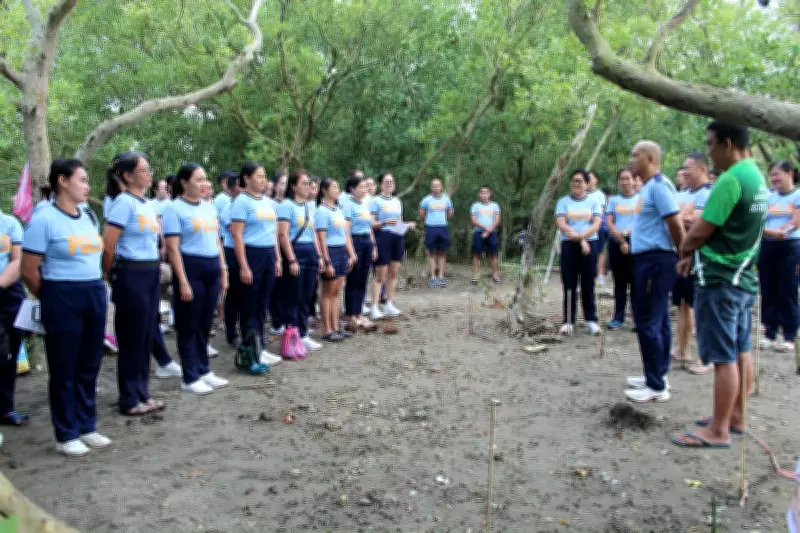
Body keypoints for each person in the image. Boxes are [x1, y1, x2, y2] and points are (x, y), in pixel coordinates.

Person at [672, 122, 766, 448]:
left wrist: (684, 249)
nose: (708, 151)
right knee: (741, 350)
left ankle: (718, 430)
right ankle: (736, 417)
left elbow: (701, 229)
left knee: (723, 356)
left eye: (710, 145)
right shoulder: (757, 177)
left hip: (720, 279)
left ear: (728, 143)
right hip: (744, 278)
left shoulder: (730, 180)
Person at [22, 159, 110, 457]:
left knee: (89, 363)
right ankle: (66, 432)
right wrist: (52, 296)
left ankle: (88, 425)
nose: (87, 186)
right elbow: (29, 270)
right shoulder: (44, 218)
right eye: (82, 180)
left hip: (94, 291)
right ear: (62, 181)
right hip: (61, 295)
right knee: (64, 368)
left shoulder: (87, 215)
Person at [103, 152, 169, 415]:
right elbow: (108, 245)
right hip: (131, 273)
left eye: (149, 169)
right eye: (143, 170)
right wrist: (111, 274)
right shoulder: (123, 203)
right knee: (131, 337)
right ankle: (129, 398)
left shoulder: (147, 204)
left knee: (145, 334)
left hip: (150, 271)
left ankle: (143, 392)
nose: (148, 174)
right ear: (127, 176)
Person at [624, 141, 685, 403]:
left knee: (647, 319)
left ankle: (656, 386)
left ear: (650, 158)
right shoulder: (647, 188)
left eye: (635, 156)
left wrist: (684, 253)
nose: (630, 159)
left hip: (655, 262)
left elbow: (674, 221)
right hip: (646, 261)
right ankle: (656, 373)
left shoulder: (659, 186)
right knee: (657, 320)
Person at [162, 163, 230, 395]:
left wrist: (223, 269)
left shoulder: (209, 208)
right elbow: (173, 249)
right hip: (190, 267)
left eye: (205, 179)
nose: (204, 184)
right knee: (188, 325)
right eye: (198, 180)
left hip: (212, 266)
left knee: (204, 323)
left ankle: (204, 369)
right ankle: (189, 376)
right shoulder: (175, 209)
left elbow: (217, 241)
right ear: (184, 183)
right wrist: (182, 280)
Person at [228, 163, 283, 366]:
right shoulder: (241, 202)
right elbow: (237, 235)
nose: (263, 179)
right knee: (250, 305)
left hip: (268, 253)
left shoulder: (268, 202)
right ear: (246, 178)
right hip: (251, 254)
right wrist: (243, 265)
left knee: (262, 303)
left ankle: (261, 345)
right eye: (259, 176)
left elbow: (274, 233)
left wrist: (278, 258)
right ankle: (250, 348)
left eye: (264, 176)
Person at [274, 170, 325, 353]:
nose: (308, 186)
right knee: (293, 297)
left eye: (308, 183)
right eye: (304, 183)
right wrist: (291, 259)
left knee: (307, 296)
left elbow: (313, 234)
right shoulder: (286, 206)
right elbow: (283, 235)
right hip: (295, 254)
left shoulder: (310, 206)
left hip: (310, 252)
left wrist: (319, 256)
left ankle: (303, 334)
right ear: (293, 186)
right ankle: (291, 334)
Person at [672, 153, 713, 374]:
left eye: (688, 168)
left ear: (702, 169)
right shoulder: (683, 194)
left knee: (700, 307)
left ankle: (705, 357)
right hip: (681, 255)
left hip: (701, 257)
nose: (684, 172)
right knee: (683, 305)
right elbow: (676, 219)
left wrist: (680, 218)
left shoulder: (709, 193)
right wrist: (682, 218)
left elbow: (696, 221)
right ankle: (682, 349)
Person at [758, 160, 800, 353]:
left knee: (788, 289)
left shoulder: (798, 195)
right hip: (768, 246)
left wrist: (781, 231)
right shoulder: (768, 197)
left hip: (791, 247)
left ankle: (790, 335)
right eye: (771, 175)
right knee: (768, 289)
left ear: (790, 173)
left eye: (777, 174)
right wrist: (771, 233)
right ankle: (769, 332)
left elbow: (796, 222)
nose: (774, 178)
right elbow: (758, 222)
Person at [554, 170, 602, 336]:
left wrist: (583, 238)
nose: (576, 183)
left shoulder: (594, 201)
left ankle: (591, 320)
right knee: (569, 284)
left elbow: (596, 225)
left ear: (587, 184)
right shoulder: (563, 202)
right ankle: (568, 321)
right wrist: (579, 240)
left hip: (590, 244)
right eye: (573, 181)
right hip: (568, 245)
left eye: (580, 181)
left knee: (588, 282)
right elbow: (562, 224)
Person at [369, 173, 416, 320]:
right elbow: (371, 224)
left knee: (394, 272)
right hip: (382, 237)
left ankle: (389, 303)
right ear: (381, 184)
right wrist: (384, 223)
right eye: (386, 181)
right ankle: (374, 306)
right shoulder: (375, 201)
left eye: (392, 181)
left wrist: (407, 225)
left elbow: (399, 222)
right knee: (380, 274)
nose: (389, 184)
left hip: (397, 237)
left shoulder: (397, 201)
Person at [315, 178, 357, 341]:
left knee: (337, 291)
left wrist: (351, 253)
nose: (337, 190)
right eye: (334, 187)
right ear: (324, 190)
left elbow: (345, 234)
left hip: (341, 252)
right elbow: (321, 238)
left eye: (338, 187)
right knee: (328, 292)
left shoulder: (338, 210)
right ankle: (327, 329)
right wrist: (327, 261)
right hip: (330, 252)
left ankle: (336, 326)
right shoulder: (321, 211)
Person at [0, 204, 27, 428]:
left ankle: (6, 408)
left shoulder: (10, 223)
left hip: (9, 292)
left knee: (10, 351)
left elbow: (18, 260)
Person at [605, 168, 639, 330]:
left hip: (636, 242)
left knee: (636, 282)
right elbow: (609, 222)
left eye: (628, 178)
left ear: (634, 180)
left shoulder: (640, 199)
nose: (624, 182)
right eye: (621, 179)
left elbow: (639, 221)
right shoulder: (613, 200)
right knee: (619, 282)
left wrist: (627, 234)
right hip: (616, 243)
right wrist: (621, 240)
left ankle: (637, 318)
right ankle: (618, 317)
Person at [343, 174, 377, 331]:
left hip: (366, 242)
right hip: (355, 241)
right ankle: (351, 315)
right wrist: (351, 252)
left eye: (365, 187)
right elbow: (346, 230)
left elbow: (369, 226)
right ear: (352, 189)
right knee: (353, 280)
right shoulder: (348, 205)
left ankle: (359, 313)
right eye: (361, 187)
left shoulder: (365, 204)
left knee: (363, 279)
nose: (364, 190)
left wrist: (373, 245)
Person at [220, 172, 243, 347]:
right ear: (232, 188)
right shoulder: (230, 207)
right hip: (232, 250)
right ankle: (231, 333)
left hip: (247, 251)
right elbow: (235, 230)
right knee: (234, 295)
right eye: (239, 186)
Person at [419, 179, 454, 287]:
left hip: (443, 227)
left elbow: (450, 212)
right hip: (431, 228)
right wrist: (429, 221)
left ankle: (441, 276)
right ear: (431, 187)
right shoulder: (426, 200)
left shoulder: (446, 199)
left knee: (442, 252)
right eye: (434, 186)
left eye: (438, 186)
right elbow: (421, 213)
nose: (436, 188)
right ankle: (433, 277)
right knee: (431, 252)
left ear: (441, 187)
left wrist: (442, 220)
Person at [269, 171, 288, 335]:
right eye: (282, 183)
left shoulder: (290, 203)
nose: (285, 186)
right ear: (274, 186)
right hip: (276, 248)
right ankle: (276, 322)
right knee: (277, 287)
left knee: (287, 287)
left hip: (290, 248)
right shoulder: (270, 204)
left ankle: (287, 319)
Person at [470, 186, 501, 284]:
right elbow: (474, 220)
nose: (484, 195)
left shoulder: (495, 205)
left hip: (492, 232)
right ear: (479, 194)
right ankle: (475, 276)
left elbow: (497, 220)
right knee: (477, 254)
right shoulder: (475, 206)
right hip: (479, 232)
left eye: (486, 192)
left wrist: (488, 231)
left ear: (489, 193)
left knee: (493, 254)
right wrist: (485, 228)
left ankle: (495, 275)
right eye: (482, 193)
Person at [587, 171, 608, 285]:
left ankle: (600, 274)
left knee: (599, 251)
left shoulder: (599, 195)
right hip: (584, 227)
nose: (589, 180)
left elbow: (601, 211)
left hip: (599, 226)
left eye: (591, 178)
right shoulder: (582, 194)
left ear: (596, 180)